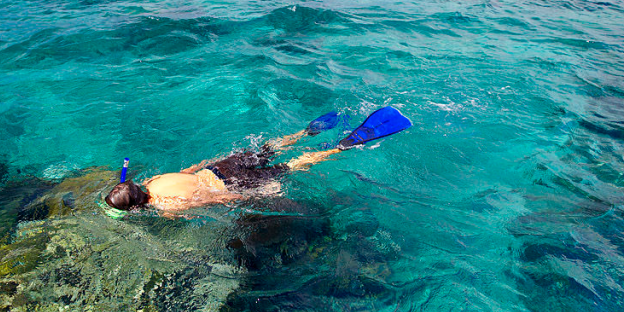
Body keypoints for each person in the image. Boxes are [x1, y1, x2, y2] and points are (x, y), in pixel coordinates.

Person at [104, 107, 410, 213]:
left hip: (231, 181)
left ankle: (341, 147)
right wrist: (219, 160)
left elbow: (213, 201)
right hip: (221, 165)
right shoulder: (155, 180)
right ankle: (305, 131)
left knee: (287, 167)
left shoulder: (166, 205)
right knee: (268, 150)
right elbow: (192, 169)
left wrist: (247, 196)